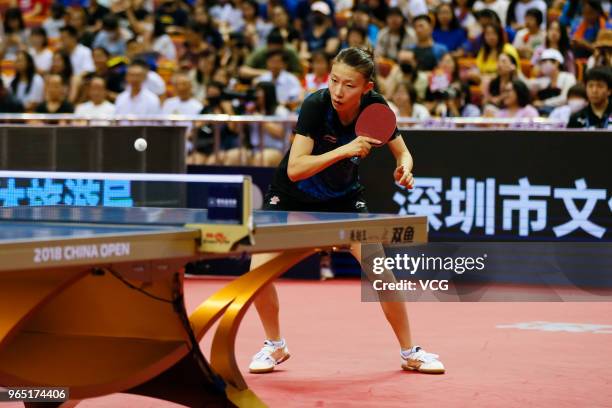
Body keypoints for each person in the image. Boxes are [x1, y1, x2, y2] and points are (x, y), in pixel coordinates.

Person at [246, 47, 445, 376]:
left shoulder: (376, 108)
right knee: (257, 273)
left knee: (382, 273)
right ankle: (274, 345)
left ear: (367, 87)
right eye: (334, 80)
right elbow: (295, 168)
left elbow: (403, 153)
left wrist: (404, 169)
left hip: (343, 200)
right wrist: (345, 150)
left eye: (349, 85)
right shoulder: (316, 105)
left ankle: (410, 352)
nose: (338, 91)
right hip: (292, 196)